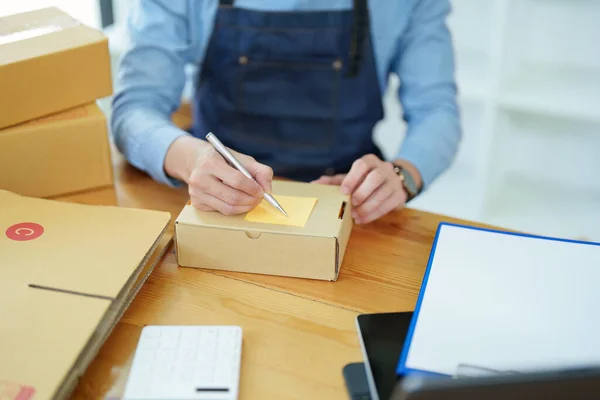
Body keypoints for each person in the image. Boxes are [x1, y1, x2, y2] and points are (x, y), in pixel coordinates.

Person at [112, 0, 461, 224]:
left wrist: (403, 176)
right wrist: (192, 161)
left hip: (348, 207)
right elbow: (134, 110)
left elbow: (437, 109)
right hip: (214, 206)